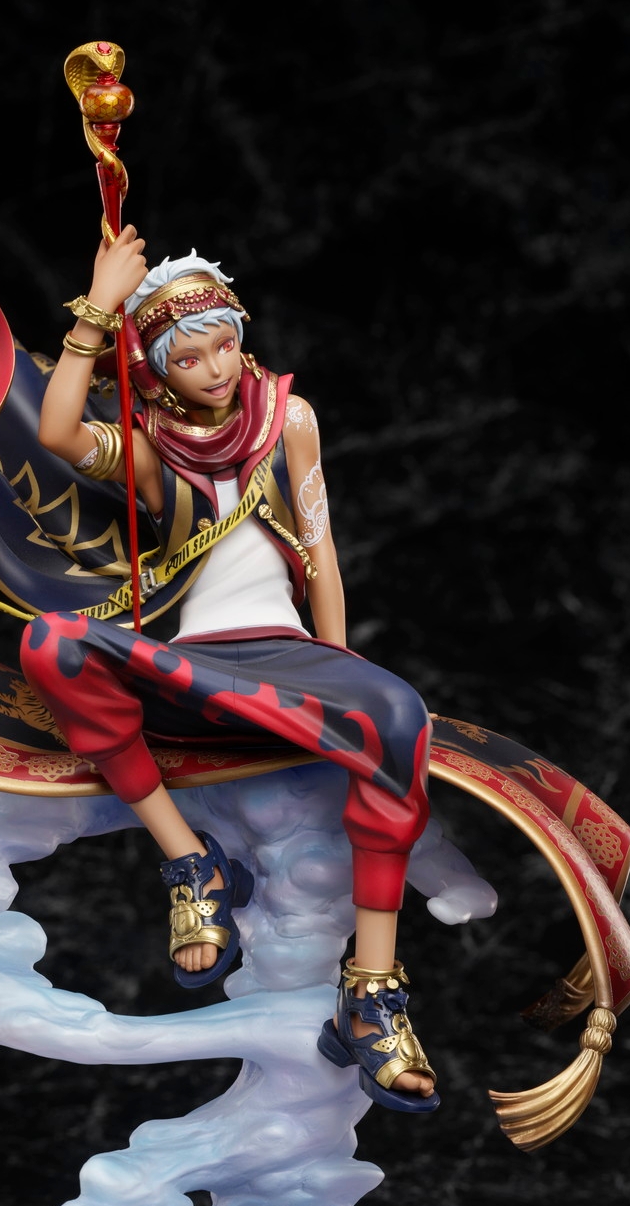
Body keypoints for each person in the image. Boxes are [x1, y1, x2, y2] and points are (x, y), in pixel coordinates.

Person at [22, 225, 438, 1113]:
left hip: (289, 658)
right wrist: (98, 308)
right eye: (188, 357)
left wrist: (335, 664)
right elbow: (55, 430)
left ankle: (370, 990)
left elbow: (319, 550)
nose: (214, 368)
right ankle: (190, 863)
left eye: (223, 344)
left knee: (398, 714)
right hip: (191, 667)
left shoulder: (289, 419)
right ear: (155, 370)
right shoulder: (145, 447)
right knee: (50, 643)